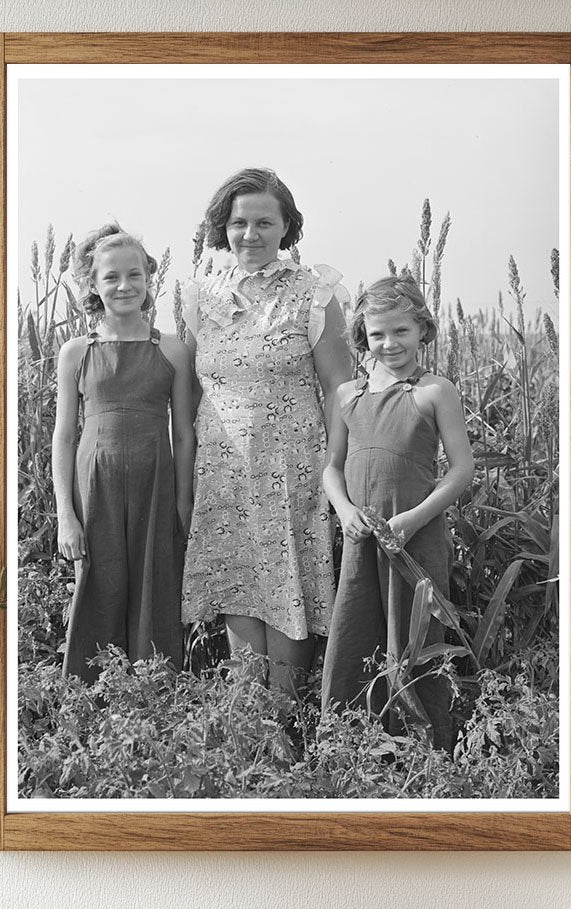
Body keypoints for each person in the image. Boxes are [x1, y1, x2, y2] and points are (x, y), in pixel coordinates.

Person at [181, 168, 353, 693]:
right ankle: (250, 731)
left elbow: (339, 389)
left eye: (263, 222)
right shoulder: (198, 296)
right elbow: (188, 392)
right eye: (238, 223)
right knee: (239, 589)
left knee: (288, 591)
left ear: (287, 228)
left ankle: (285, 727)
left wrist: (335, 472)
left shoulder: (314, 294)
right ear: (222, 228)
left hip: (293, 469)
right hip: (222, 469)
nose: (249, 235)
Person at [320, 277, 475, 750]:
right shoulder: (348, 396)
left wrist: (415, 518)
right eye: (377, 335)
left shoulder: (434, 391)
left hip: (416, 536)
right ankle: (348, 739)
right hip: (363, 537)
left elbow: (462, 469)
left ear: (422, 330)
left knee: (415, 631)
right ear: (362, 338)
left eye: (401, 332)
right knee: (356, 626)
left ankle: (426, 744)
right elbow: (332, 468)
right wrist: (344, 510)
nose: (390, 344)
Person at [53, 223, 195, 680]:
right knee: (98, 588)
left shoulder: (171, 348)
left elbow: (185, 433)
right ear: (93, 285)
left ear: (149, 278)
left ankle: (154, 697)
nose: (124, 286)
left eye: (134, 275)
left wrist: (183, 504)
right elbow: (63, 436)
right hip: (94, 490)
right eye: (111, 277)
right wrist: (65, 516)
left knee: (156, 589)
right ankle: (91, 701)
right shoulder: (77, 352)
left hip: (157, 484)